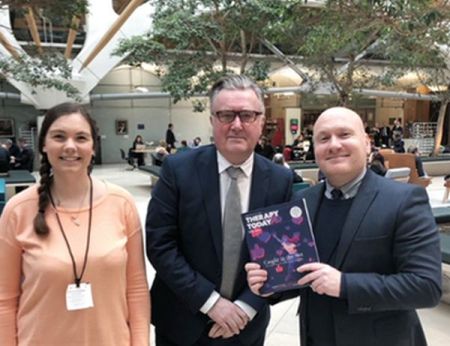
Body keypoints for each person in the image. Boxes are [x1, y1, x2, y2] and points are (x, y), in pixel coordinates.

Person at [246, 106, 442, 346]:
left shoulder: (405, 200)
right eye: (324, 138)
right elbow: (305, 274)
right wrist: (271, 285)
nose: (334, 145)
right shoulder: (302, 202)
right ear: (316, 150)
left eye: (345, 134)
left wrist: (345, 284)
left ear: (367, 143)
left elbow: (426, 286)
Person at [146, 74, 293, 346]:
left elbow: (279, 259)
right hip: (182, 324)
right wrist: (212, 303)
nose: (236, 125)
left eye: (247, 115)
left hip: (244, 328)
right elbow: (160, 245)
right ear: (212, 120)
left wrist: (245, 308)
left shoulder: (280, 180)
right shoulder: (178, 170)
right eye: (226, 115)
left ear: (261, 122)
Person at [0, 102, 150, 345]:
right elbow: (5, 300)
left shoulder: (121, 204)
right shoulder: (17, 211)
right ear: (44, 146)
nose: (70, 146)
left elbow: (136, 290)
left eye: (81, 137)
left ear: (93, 147)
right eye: (59, 136)